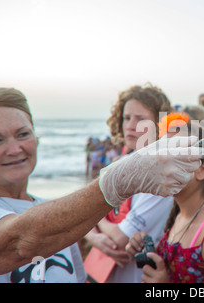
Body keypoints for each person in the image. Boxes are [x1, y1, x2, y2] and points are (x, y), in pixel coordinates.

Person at [0, 86, 204, 283]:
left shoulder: (54, 215)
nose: (15, 149)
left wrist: (89, 227)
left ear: (36, 138)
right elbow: (21, 241)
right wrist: (113, 187)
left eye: (23, 134)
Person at [126, 115, 204, 283]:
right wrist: (147, 248)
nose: (160, 161)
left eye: (174, 153)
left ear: (202, 170)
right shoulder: (179, 214)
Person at [84, 84, 175, 283]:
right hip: (103, 272)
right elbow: (86, 211)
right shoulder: (122, 163)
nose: (130, 125)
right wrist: (92, 236)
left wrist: (95, 217)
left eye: (140, 119)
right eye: (126, 118)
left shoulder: (158, 174)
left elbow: (119, 239)